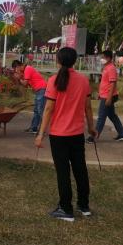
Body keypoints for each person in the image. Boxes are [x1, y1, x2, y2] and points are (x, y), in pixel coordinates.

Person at [35, 47, 98, 222]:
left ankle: (66, 209)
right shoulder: (84, 81)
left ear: (58, 60)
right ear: (74, 61)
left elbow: (48, 109)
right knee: (80, 169)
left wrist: (40, 134)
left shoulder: (54, 80)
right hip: (77, 134)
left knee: (63, 172)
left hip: (59, 135)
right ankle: (84, 205)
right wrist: (91, 127)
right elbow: (88, 107)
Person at [87, 50, 123, 143]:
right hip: (104, 95)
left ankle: (94, 136)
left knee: (101, 116)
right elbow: (104, 83)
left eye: (103, 57)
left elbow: (112, 84)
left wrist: (109, 98)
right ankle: (122, 134)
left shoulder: (111, 68)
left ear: (109, 58)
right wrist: (100, 93)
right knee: (112, 116)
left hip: (108, 96)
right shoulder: (106, 67)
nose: (102, 59)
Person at [13, 60, 47, 133]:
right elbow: (26, 84)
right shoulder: (25, 70)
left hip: (41, 89)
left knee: (40, 110)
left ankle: (42, 129)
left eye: (15, 68)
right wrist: (20, 77)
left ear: (18, 66)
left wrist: (19, 78)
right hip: (39, 90)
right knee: (36, 110)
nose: (16, 71)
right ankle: (34, 128)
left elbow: (25, 83)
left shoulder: (28, 69)